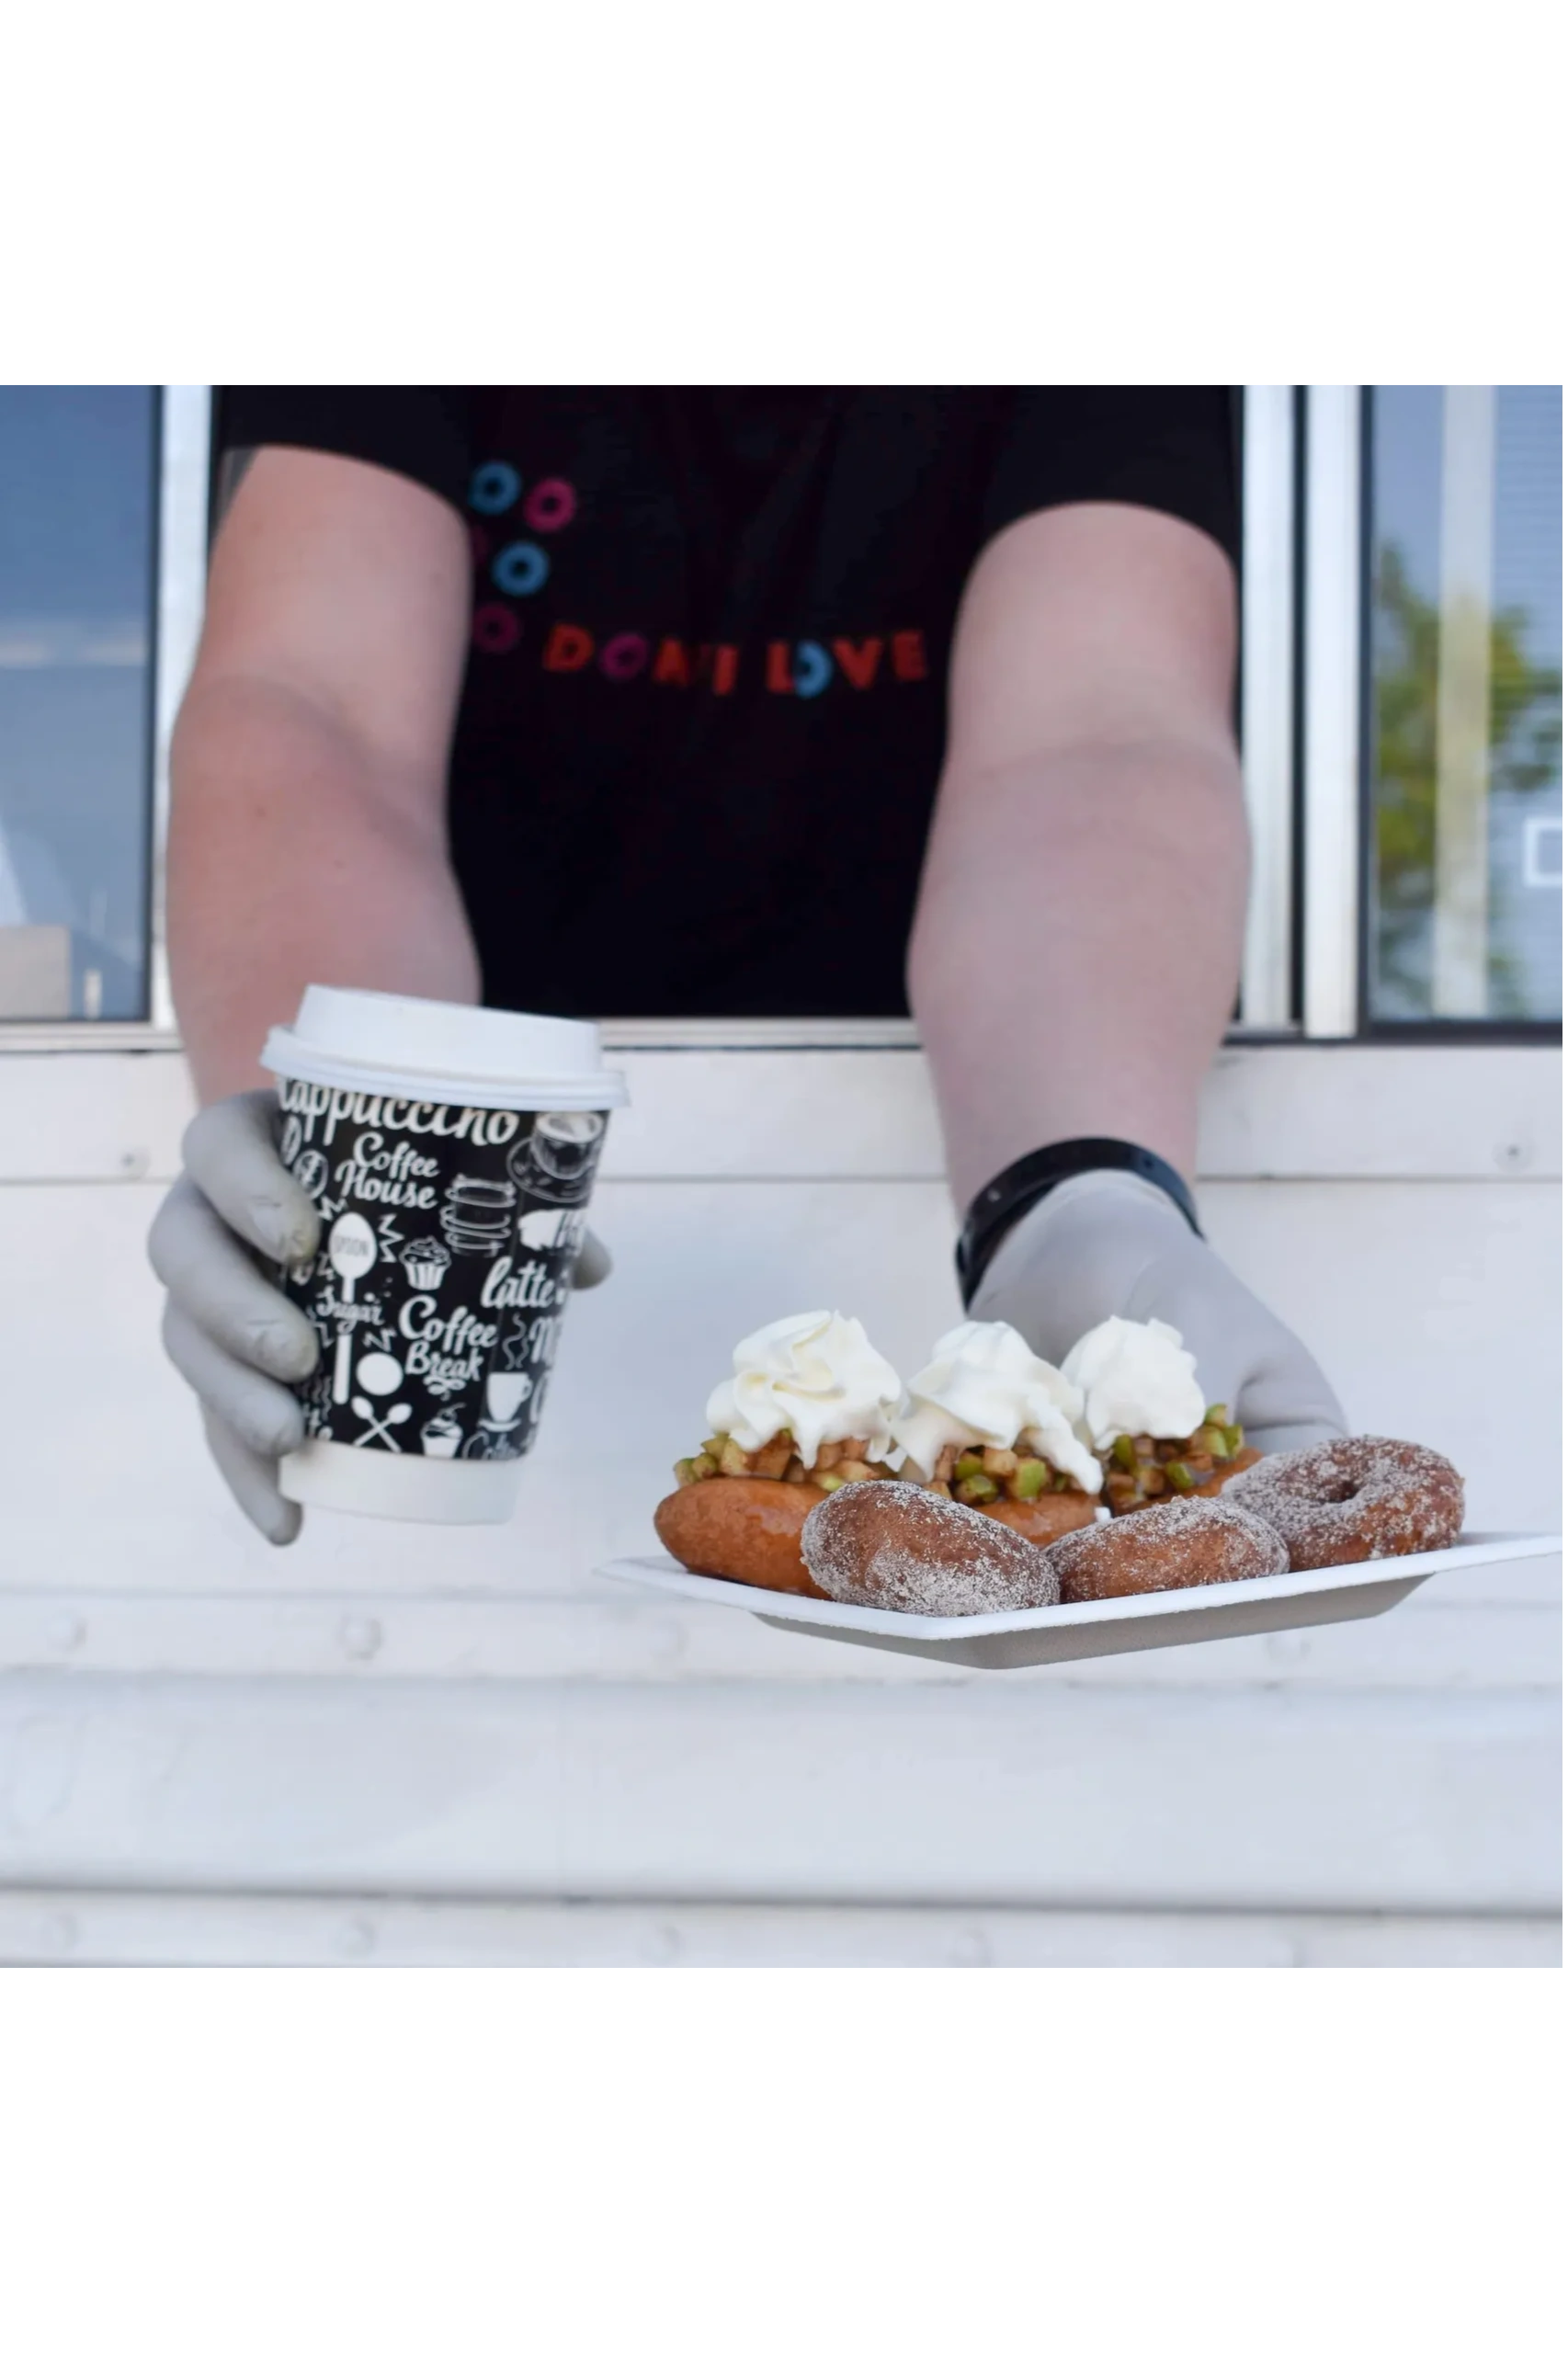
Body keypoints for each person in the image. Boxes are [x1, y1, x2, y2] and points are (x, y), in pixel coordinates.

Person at [148, 382, 1344, 1543]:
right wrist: (339, 1150)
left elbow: (1094, 736)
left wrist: (1076, 1198)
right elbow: (313, 704)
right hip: (492, 1207)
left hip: (969, 1111)